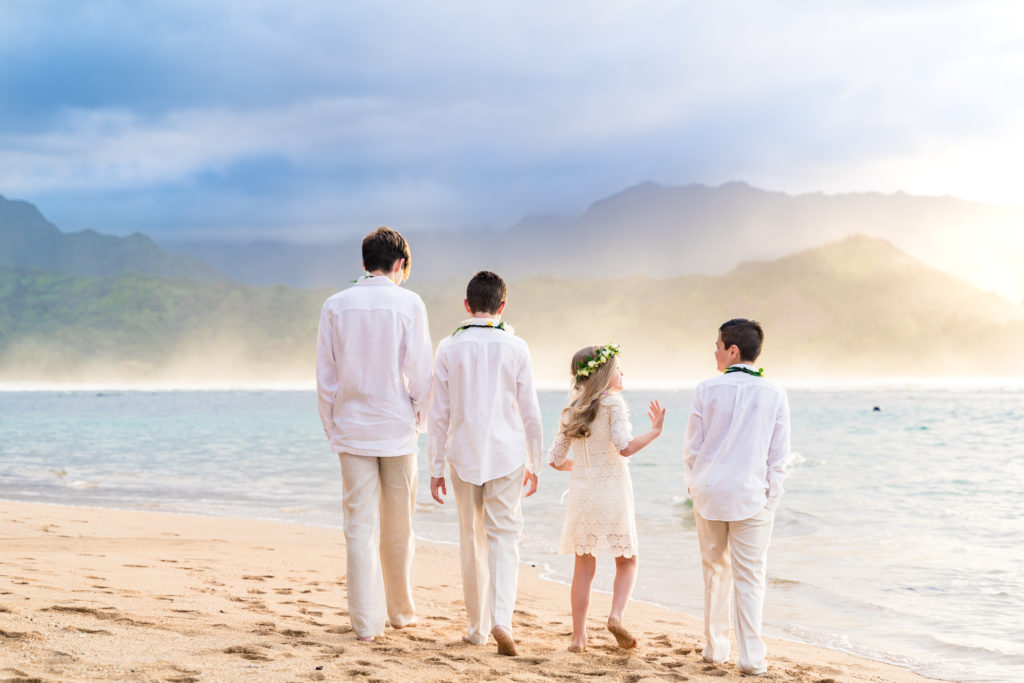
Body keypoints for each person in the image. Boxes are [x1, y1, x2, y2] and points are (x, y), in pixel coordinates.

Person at [315, 226, 432, 642]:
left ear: (364, 263)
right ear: (399, 264)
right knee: (399, 526)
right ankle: (400, 613)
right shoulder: (409, 304)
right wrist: (418, 420)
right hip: (397, 429)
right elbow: (420, 372)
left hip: (351, 429)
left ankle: (366, 624)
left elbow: (326, 377)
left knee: (358, 528)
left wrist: (333, 427)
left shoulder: (335, 305)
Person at [427, 271, 543, 657]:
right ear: (502, 307)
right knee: (504, 538)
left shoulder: (448, 347)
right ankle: (502, 621)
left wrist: (434, 467)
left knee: (470, 539)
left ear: (467, 306)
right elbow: (531, 412)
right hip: (506, 454)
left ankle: (477, 628)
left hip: (462, 454)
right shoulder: (517, 347)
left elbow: (438, 413)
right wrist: (536, 462)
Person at [683, 318, 790, 676]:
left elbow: (692, 449)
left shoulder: (706, 389)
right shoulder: (775, 393)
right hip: (750, 496)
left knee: (714, 571)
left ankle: (715, 649)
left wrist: (695, 484)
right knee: (750, 578)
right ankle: (751, 659)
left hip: (710, 494)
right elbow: (779, 456)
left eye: (717, 345)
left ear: (733, 350)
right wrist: (770, 498)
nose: (714, 352)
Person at [548, 344, 666, 654]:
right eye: (617, 368)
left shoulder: (572, 409)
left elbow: (555, 460)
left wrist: (585, 467)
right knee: (627, 560)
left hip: (583, 495)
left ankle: (578, 638)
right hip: (613, 492)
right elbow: (624, 447)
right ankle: (615, 616)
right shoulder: (613, 404)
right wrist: (654, 432)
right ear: (603, 373)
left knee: (583, 568)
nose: (622, 373)